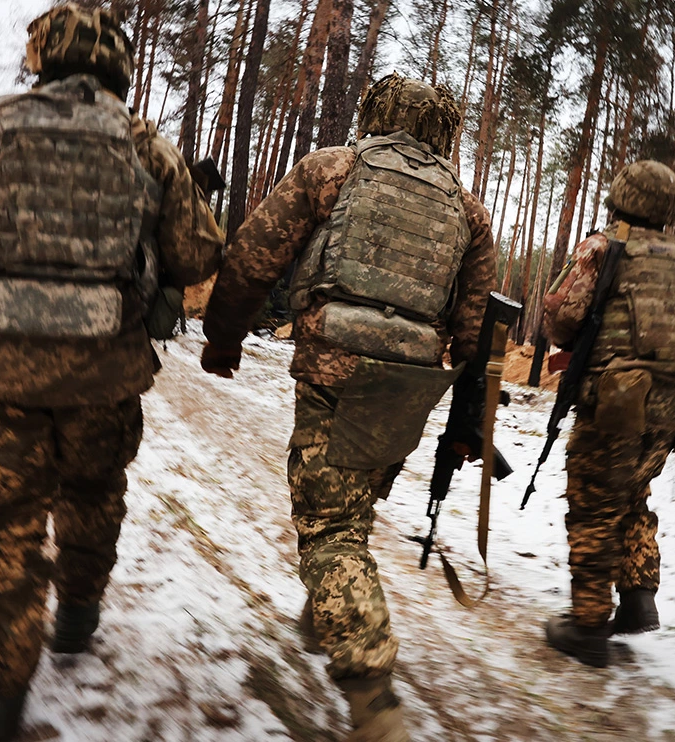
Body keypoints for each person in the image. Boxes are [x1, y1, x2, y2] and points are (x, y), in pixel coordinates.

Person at [0, 4, 223, 739]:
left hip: (5, 370)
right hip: (108, 375)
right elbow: (200, 253)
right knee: (94, 492)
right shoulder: (147, 144)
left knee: (6, 522)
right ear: (118, 64)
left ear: (43, 54)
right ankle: (75, 616)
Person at [200, 73, 496, 741]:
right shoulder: (469, 213)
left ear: (376, 111)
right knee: (349, 508)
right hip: (407, 388)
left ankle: (372, 698)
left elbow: (252, 258)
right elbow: (475, 336)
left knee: (330, 529)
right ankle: (325, 611)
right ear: (446, 129)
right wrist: (463, 418)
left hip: (335, 366)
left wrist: (222, 336)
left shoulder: (332, 168)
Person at [541, 160, 675, 668]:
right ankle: (639, 596)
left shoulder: (603, 247)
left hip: (619, 401)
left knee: (594, 502)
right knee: (632, 491)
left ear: (619, 196)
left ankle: (589, 625)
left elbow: (561, 319)